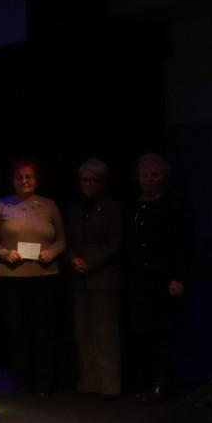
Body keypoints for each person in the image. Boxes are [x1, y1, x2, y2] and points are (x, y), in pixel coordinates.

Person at [0, 159, 66, 394]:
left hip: (44, 276)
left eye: (28, 177)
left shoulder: (49, 205)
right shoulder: (2, 206)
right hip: (10, 278)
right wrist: (4, 253)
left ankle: (43, 381)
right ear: (12, 181)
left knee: (43, 330)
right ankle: (22, 380)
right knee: (17, 331)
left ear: (36, 180)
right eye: (19, 177)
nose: (24, 181)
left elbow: (62, 239)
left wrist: (51, 252)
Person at [127, 153, 192, 403]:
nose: (149, 179)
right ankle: (144, 380)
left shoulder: (177, 204)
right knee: (141, 332)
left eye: (155, 175)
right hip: (138, 279)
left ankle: (161, 383)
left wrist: (178, 277)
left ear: (165, 177)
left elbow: (185, 243)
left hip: (164, 279)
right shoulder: (134, 204)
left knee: (163, 333)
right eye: (145, 174)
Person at [65, 159, 122, 398]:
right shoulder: (74, 208)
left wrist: (91, 262)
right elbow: (65, 239)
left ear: (103, 183)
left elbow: (115, 242)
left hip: (103, 278)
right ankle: (88, 383)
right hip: (79, 278)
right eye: (85, 180)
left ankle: (109, 386)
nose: (89, 184)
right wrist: (73, 258)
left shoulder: (112, 208)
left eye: (94, 180)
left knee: (105, 333)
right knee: (83, 333)